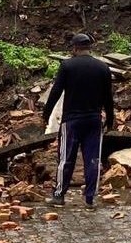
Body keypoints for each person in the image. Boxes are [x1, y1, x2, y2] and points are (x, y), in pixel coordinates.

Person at [42, 33, 114, 210]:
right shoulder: (103, 67)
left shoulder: (67, 66)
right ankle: (90, 198)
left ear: (74, 48)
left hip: (72, 120)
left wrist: (46, 113)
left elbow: (56, 91)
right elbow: (108, 97)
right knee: (92, 159)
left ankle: (59, 195)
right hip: (94, 120)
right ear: (89, 48)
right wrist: (111, 117)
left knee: (66, 158)